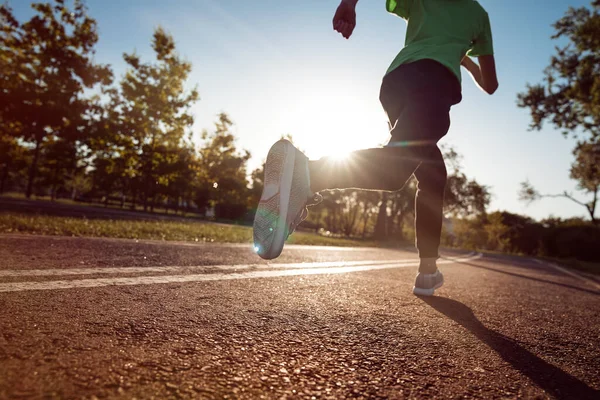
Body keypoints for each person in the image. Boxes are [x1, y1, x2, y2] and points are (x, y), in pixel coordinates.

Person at [253, 0, 498, 296]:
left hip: (397, 82)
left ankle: (428, 270)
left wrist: (349, 4)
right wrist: (463, 55)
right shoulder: (478, 16)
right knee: (395, 172)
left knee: (433, 174)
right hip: (435, 85)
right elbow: (490, 84)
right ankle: (309, 174)